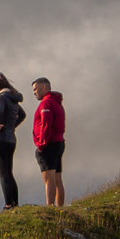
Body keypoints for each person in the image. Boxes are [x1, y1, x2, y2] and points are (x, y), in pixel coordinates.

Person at [0, 73, 25, 209]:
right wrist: (11, 126)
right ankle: (15, 203)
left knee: (3, 174)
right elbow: (22, 115)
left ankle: (8, 205)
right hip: (11, 139)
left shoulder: (1, 97)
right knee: (9, 172)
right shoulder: (12, 98)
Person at [31, 76, 66, 206]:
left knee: (48, 179)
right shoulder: (57, 103)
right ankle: (60, 207)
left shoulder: (46, 104)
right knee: (57, 179)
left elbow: (46, 124)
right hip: (58, 143)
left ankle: (50, 207)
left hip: (49, 145)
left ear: (44, 87)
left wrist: (41, 144)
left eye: (36, 89)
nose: (34, 92)